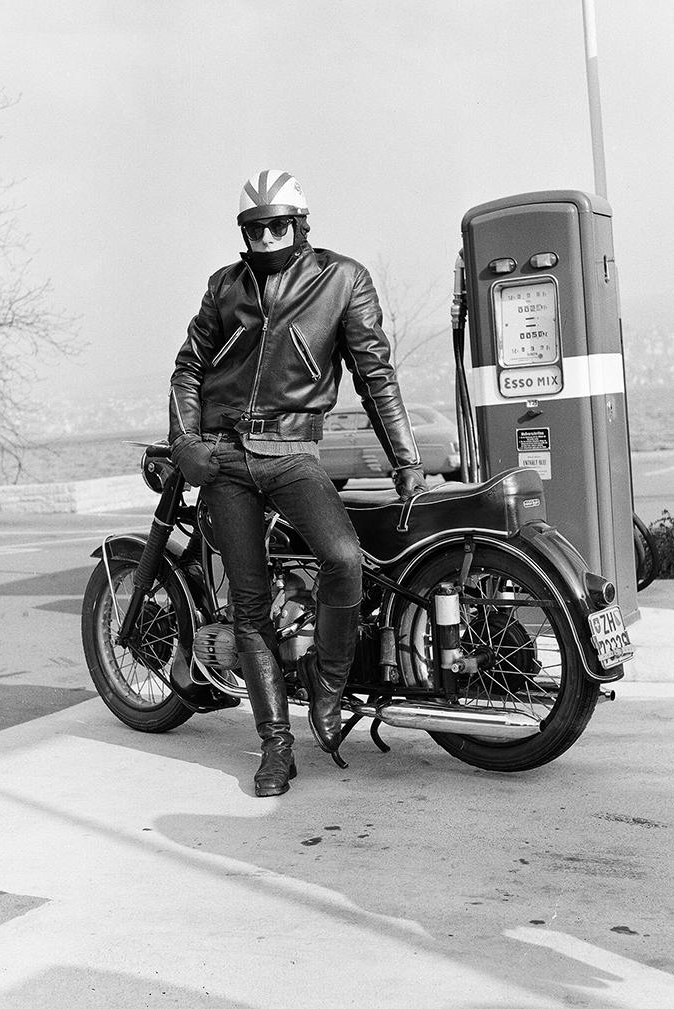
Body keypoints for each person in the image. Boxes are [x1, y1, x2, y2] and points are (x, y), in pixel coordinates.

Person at [168, 169, 427, 797]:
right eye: (254, 229)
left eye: (278, 225)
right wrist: (187, 443)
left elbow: (375, 376)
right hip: (226, 459)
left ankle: (328, 693)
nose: (266, 237)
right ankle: (276, 745)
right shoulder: (224, 286)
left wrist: (406, 459)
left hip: (292, 454)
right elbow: (188, 366)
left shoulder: (342, 280)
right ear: (242, 233)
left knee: (343, 558)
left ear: (302, 224)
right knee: (249, 604)